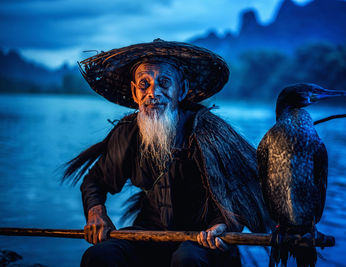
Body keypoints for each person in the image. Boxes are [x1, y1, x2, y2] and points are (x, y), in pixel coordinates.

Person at [64, 39, 271, 267]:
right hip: (149, 235)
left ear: (181, 90)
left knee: (186, 260)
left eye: (164, 83)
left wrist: (225, 225)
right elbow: (95, 182)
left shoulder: (209, 132)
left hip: (204, 239)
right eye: (144, 84)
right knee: (99, 256)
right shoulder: (127, 134)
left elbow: (247, 188)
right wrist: (96, 213)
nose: (154, 93)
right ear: (135, 93)